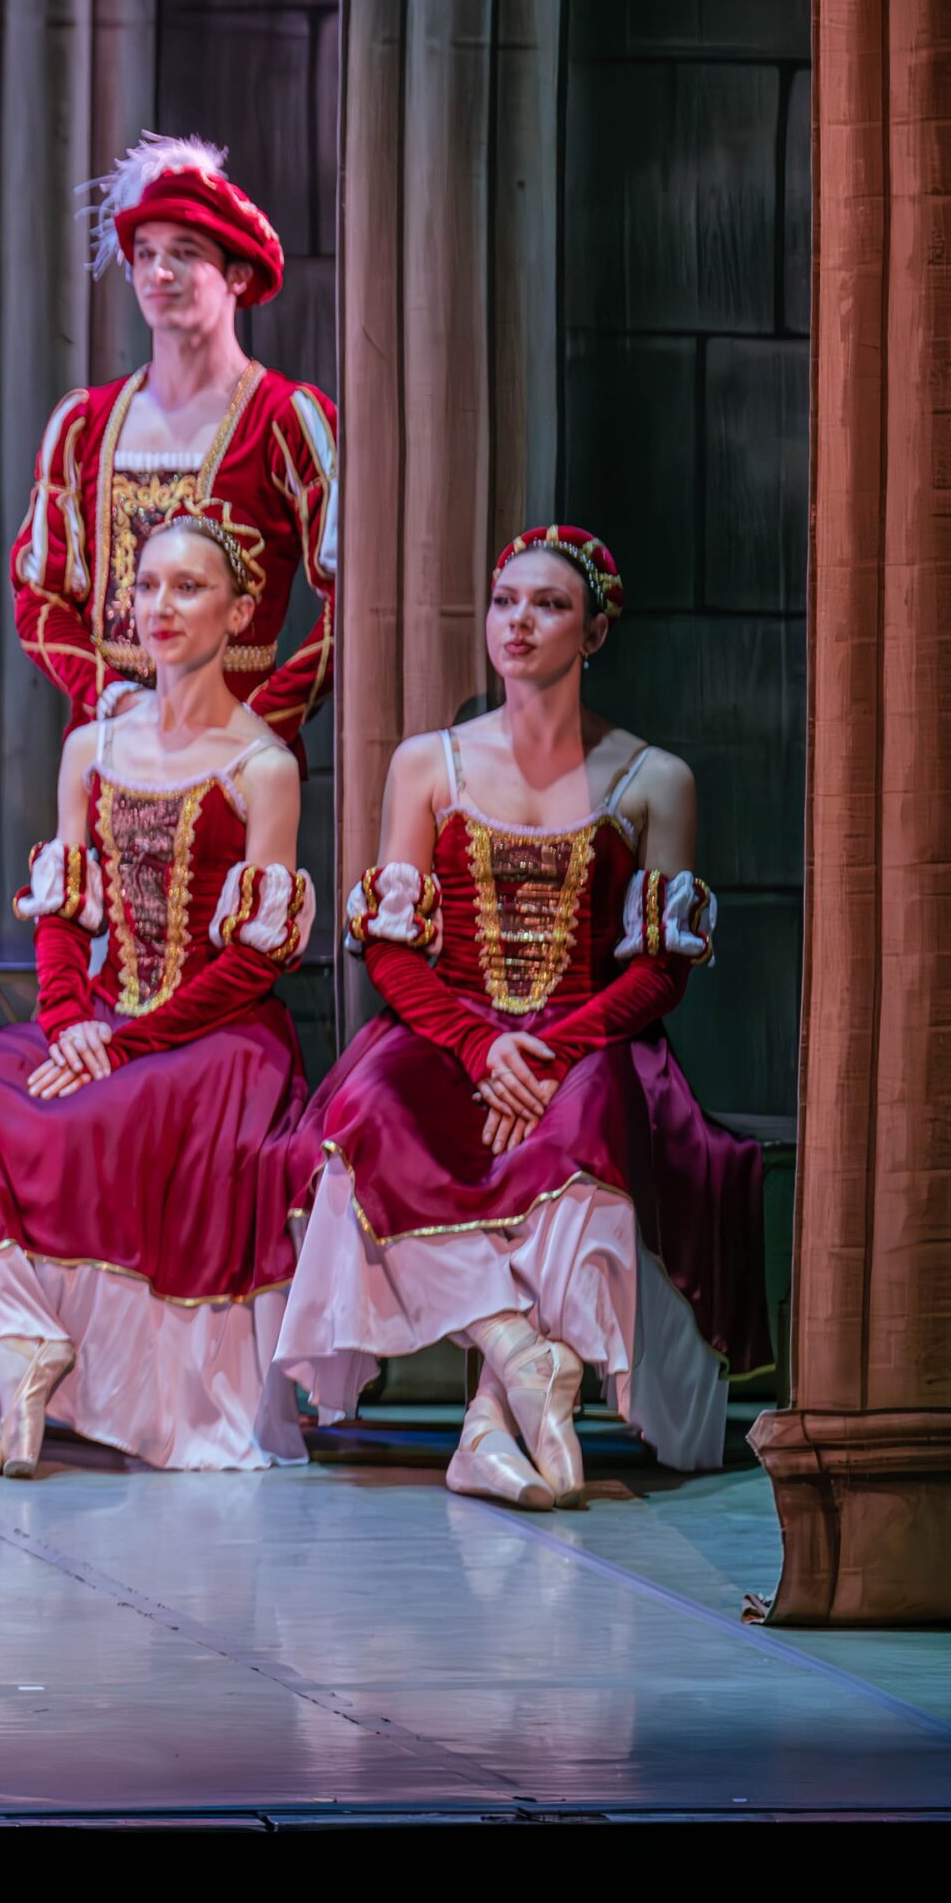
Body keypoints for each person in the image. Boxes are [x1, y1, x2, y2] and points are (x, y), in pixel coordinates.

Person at [274, 527, 769, 1507]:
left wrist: (546, 1053)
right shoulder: (429, 763)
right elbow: (391, 949)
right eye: (505, 601)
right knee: (371, 1114)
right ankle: (513, 1351)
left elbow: (662, 968)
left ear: (594, 632)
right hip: (449, 1028)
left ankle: (490, 1427)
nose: (519, 622)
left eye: (548, 605)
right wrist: (479, 1043)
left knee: (588, 1130)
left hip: (589, 1035)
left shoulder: (653, 777)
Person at [0, 506, 314, 1475]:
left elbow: (254, 961)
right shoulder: (92, 747)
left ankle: (54, 1390)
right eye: (148, 585)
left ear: (238, 613)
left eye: (189, 588)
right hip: (104, 1016)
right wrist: (71, 1018)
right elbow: (63, 914)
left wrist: (122, 1044)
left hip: (216, 1036)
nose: (161, 606)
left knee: (110, 1112)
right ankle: (20, 1346)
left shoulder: (263, 766)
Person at [12, 133, 338, 746]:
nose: (159, 273)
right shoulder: (83, 425)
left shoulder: (287, 419)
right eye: (145, 254)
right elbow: (39, 596)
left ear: (238, 274)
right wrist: (112, 696)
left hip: (237, 757)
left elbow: (356, 598)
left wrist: (263, 719)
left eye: (185, 253)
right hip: (111, 749)